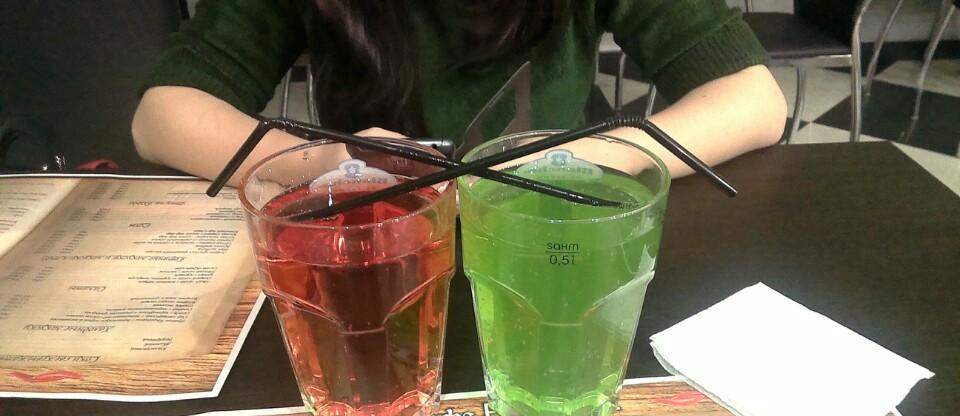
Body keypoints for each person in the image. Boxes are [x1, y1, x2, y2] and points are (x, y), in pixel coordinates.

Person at [131, 0, 787, 185]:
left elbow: (755, 101)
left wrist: (583, 158)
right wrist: (318, 164)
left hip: (548, 235)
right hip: (374, 245)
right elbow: (162, 115)